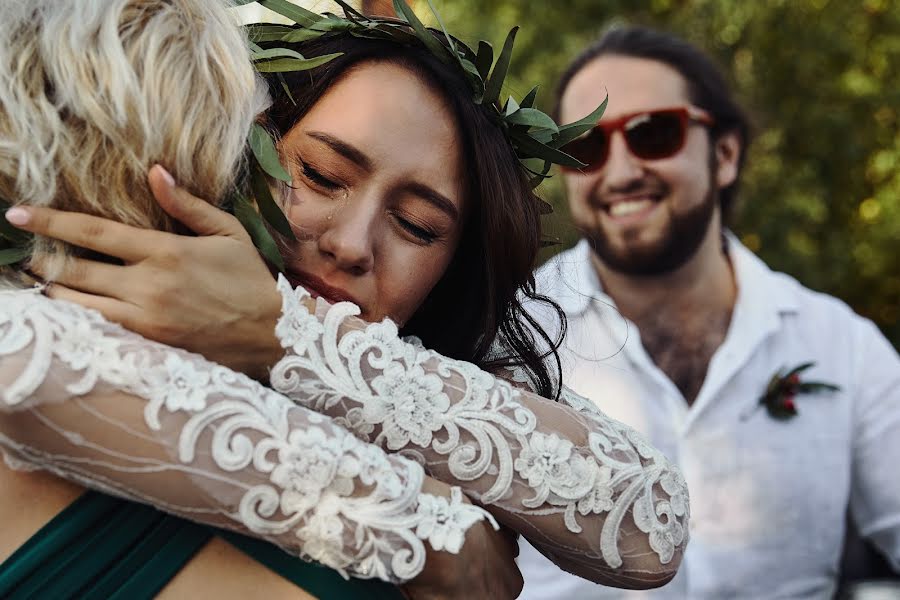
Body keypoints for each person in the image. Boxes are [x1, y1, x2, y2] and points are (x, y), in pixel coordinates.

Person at [0, 1, 690, 597]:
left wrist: (284, 335)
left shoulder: (422, 379)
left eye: (418, 226)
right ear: (242, 148)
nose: (354, 244)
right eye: (323, 176)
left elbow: (650, 527)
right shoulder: (68, 325)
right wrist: (426, 527)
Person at [515, 24, 900, 599]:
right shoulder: (509, 332)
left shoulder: (844, 347)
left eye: (653, 133)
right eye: (586, 146)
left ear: (724, 155)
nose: (619, 172)